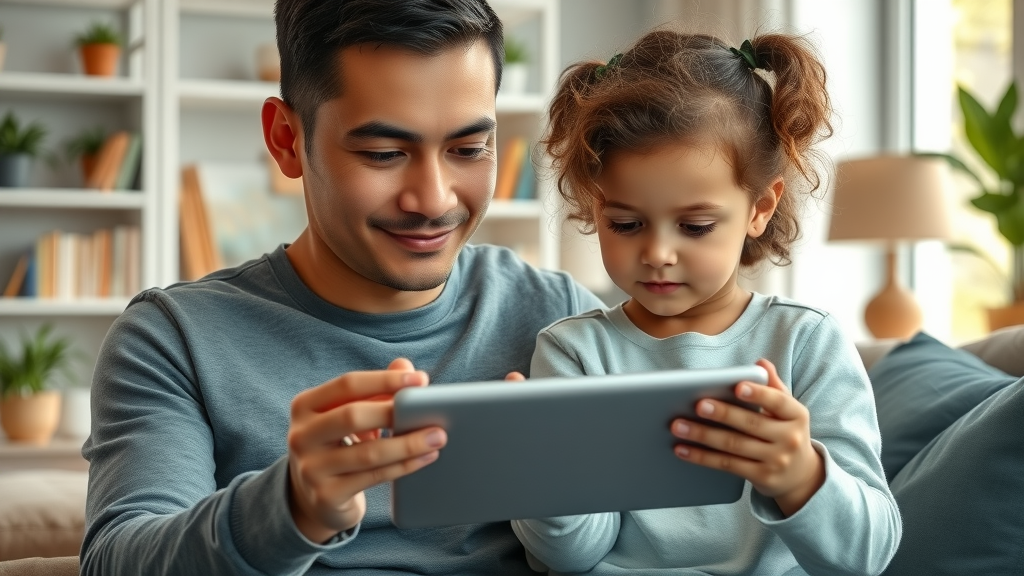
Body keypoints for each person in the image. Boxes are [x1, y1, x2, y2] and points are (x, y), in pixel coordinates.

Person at [79, 1, 602, 574]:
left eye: (468, 149)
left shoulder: (563, 319)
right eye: (383, 154)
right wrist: (288, 509)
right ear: (286, 140)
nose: (434, 200)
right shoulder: (173, 340)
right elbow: (116, 561)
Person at [511, 31, 902, 576]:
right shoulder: (574, 351)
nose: (657, 253)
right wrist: (544, 478)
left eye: (694, 226)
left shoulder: (805, 344)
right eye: (625, 223)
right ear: (595, 206)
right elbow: (569, 556)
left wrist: (801, 476)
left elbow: (865, 557)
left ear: (760, 208)